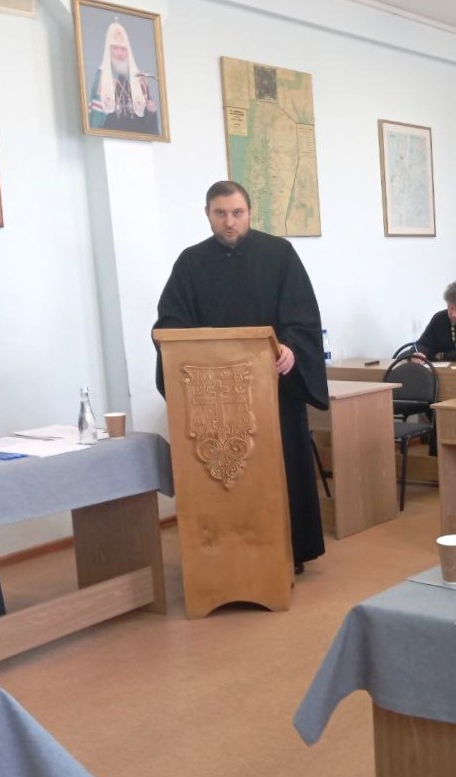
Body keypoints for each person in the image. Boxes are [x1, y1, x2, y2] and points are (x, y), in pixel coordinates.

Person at [154, 180, 328, 574]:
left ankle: (288, 551)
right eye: (220, 213)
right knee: (221, 477)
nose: (229, 221)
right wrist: (179, 347)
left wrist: (291, 349)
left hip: (272, 391)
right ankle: (222, 553)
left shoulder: (278, 254)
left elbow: (303, 317)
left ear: (250, 213)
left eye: (237, 213)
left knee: (279, 470)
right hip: (212, 398)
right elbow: (170, 323)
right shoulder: (190, 263)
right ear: (207, 215)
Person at [87, 20, 159, 135]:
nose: (120, 54)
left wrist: (151, 112)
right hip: (110, 138)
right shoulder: (102, 77)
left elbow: (149, 124)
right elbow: (95, 119)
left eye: (123, 49)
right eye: (115, 48)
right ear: (109, 50)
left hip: (139, 139)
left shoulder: (140, 79)